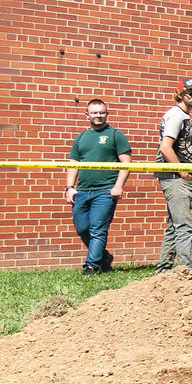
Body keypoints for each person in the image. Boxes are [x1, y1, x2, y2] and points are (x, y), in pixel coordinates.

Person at [64, 99, 132, 275]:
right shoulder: (81, 137)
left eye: (102, 112)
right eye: (94, 112)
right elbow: (73, 162)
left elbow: (126, 162)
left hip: (105, 191)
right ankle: (103, 256)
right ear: (87, 115)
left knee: (97, 228)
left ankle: (91, 266)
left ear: (107, 114)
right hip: (82, 191)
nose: (98, 115)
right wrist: (69, 187)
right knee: (82, 228)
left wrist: (118, 186)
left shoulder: (116, 135)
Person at [154, 78, 192, 274]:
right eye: (191, 92)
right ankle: (186, 269)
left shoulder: (182, 115)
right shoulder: (177, 116)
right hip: (174, 176)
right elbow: (165, 147)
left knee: (173, 225)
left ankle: (164, 269)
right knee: (184, 224)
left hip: (174, 175)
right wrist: (182, 171)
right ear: (180, 94)